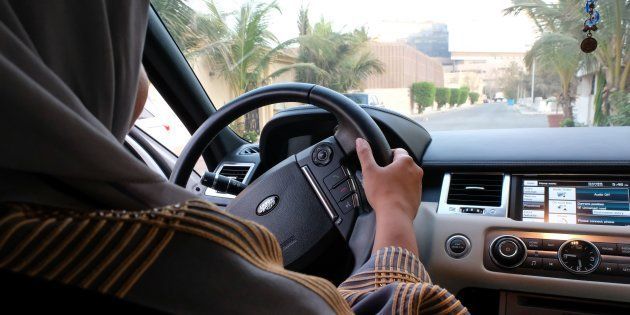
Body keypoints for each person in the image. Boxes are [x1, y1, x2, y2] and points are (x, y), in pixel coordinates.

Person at [0, 1, 467, 314]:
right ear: (79, 51)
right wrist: (394, 213)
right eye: (133, 42)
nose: (137, 70)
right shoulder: (144, 249)